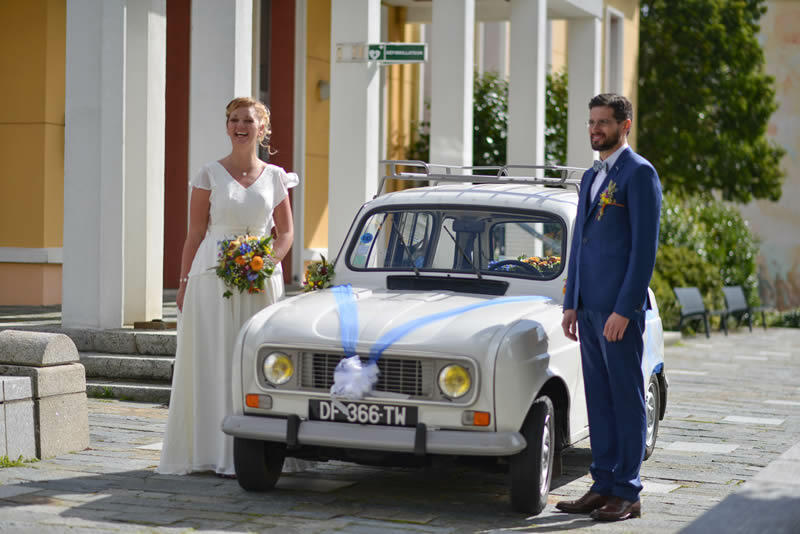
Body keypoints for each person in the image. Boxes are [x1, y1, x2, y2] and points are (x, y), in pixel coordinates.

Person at [158, 97, 298, 476]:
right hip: (211, 276)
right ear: (227, 126)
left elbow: (285, 233)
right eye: (234, 119)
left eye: (248, 120)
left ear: (262, 129)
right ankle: (209, 450)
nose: (240, 126)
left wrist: (268, 262)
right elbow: (195, 233)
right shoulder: (208, 174)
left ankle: (259, 451)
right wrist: (183, 284)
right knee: (213, 359)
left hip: (260, 280)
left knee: (255, 361)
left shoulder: (275, 177)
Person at [557, 93, 662, 521]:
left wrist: (625, 308)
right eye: (591, 122)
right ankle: (601, 484)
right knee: (598, 399)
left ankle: (628, 491)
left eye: (603, 122)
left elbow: (643, 251)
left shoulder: (640, 174)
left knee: (625, 398)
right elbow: (579, 244)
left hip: (620, 312)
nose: (595, 129)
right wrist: (571, 303)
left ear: (625, 126)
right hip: (589, 309)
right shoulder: (589, 176)